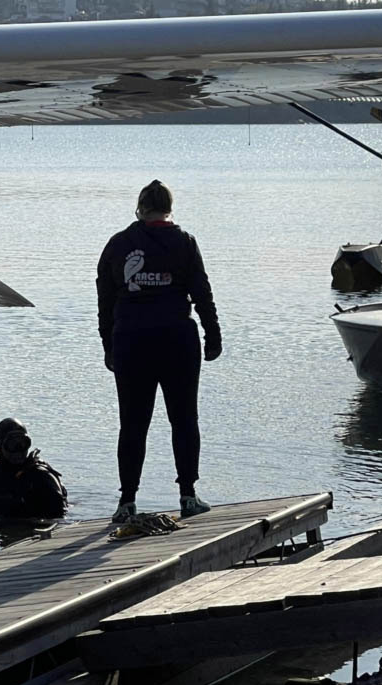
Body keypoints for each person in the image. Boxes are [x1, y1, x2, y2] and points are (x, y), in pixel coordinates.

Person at [97, 179, 221, 522]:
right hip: (177, 340)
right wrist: (214, 336)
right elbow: (202, 294)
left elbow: (105, 300)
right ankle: (188, 496)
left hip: (131, 341)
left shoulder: (118, 244)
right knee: (183, 419)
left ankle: (127, 501)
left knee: (132, 424)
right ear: (170, 207)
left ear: (140, 207)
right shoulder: (184, 243)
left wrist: (107, 343)